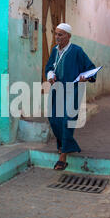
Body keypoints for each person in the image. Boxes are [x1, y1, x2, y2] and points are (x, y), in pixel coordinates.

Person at [45, 23, 97, 171]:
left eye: (60, 34)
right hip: (57, 90)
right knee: (54, 119)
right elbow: (49, 67)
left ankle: (63, 155)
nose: (57, 37)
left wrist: (84, 77)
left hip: (73, 90)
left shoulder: (77, 51)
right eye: (56, 34)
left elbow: (90, 68)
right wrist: (50, 75)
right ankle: (68, 145)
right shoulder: (55, 51)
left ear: (68, 36)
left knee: (67, 120)